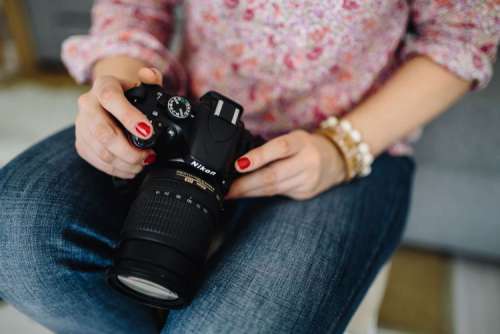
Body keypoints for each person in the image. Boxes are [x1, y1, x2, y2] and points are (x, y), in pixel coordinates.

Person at [0, 1, 498, 333]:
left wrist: (343, 148)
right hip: (193, 109)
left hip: (349, 133)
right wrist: (119, 93)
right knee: (14, 234)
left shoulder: (344, 143)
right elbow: (135, 8)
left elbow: (462, 35)